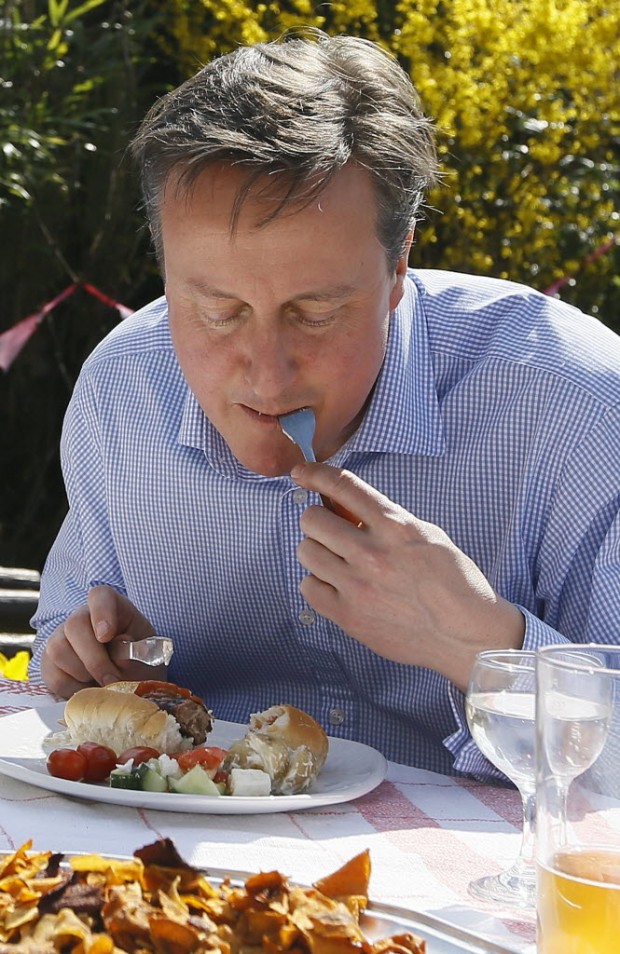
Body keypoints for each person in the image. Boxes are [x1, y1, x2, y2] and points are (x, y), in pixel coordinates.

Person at [30, 29, 620, 779]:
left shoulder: (578, 406)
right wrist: (100, 664)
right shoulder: (122, 395)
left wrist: (481, 651)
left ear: (398, 266)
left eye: (315, 312)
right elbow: (60, 647)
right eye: (218, 310)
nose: (268, 380)